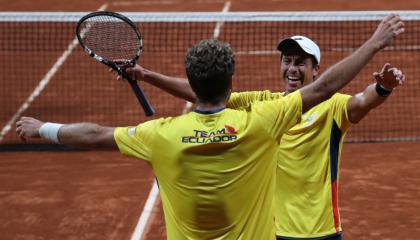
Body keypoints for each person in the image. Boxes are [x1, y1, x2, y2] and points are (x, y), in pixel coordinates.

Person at [16, 14, 403, 240]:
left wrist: (381, 87)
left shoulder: (167, 132)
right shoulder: (264, 110)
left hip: (320, 232)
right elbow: (206, 91)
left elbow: (354, 98)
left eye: (301, 62)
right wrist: (147, 75)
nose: (291, 68)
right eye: (287, 60)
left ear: (314, 68)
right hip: (275, 231)